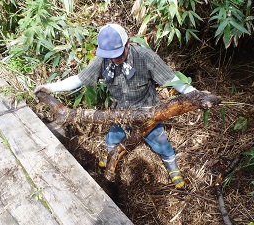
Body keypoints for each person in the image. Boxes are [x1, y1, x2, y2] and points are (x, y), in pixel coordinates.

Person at [34, 24, 203, 189]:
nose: (115, 59)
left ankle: (172, 168)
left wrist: (197, 95)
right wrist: (51, 87)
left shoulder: (145, 57)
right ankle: (111, 158)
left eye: (119, 54)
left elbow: (173, 80)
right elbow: (79, 79)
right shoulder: (103, 60)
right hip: (120, 113)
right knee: (112, 139)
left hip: (148, 112)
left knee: (161, 143)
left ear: (127, 43)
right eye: (111, 56)